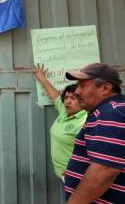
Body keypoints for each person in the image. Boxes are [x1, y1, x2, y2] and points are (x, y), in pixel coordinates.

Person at [64, 63, 125, 204]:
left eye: (83, 86)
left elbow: (104, 172)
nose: (77, 92)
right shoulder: (113, 111)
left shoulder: (111, 114)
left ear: (105, 88)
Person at [34, 64, 87, 202]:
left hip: (78, 177)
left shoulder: (84, 120)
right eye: (67, 97)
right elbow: (56, 96)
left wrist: (77, 171)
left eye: (73, 98)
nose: (68, 101)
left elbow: (91, 151)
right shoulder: (65, 111)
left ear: (82, 101)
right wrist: (42, 79)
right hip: (63, 176)